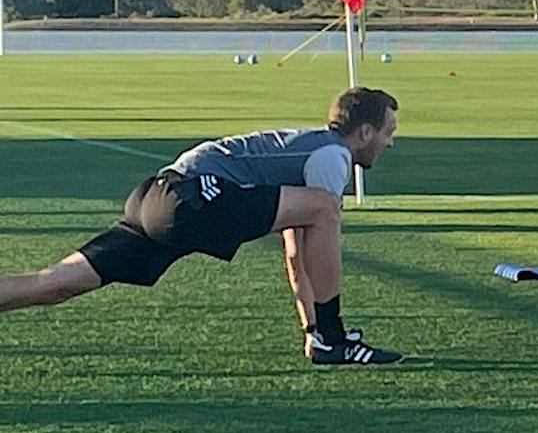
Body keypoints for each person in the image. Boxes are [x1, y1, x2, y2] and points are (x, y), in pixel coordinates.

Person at [0, 87, 402, 364]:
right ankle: (335, 339)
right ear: (365, 131)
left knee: (54, 284)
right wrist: (325, 335)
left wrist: (311, 329)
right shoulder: (332, 157)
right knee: (324, 208)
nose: (390, 144)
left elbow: (297, 252)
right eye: (388, 133)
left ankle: (328, 338)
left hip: (154, 199)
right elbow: (311, 234)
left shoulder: (309, 149)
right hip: (191, 197)